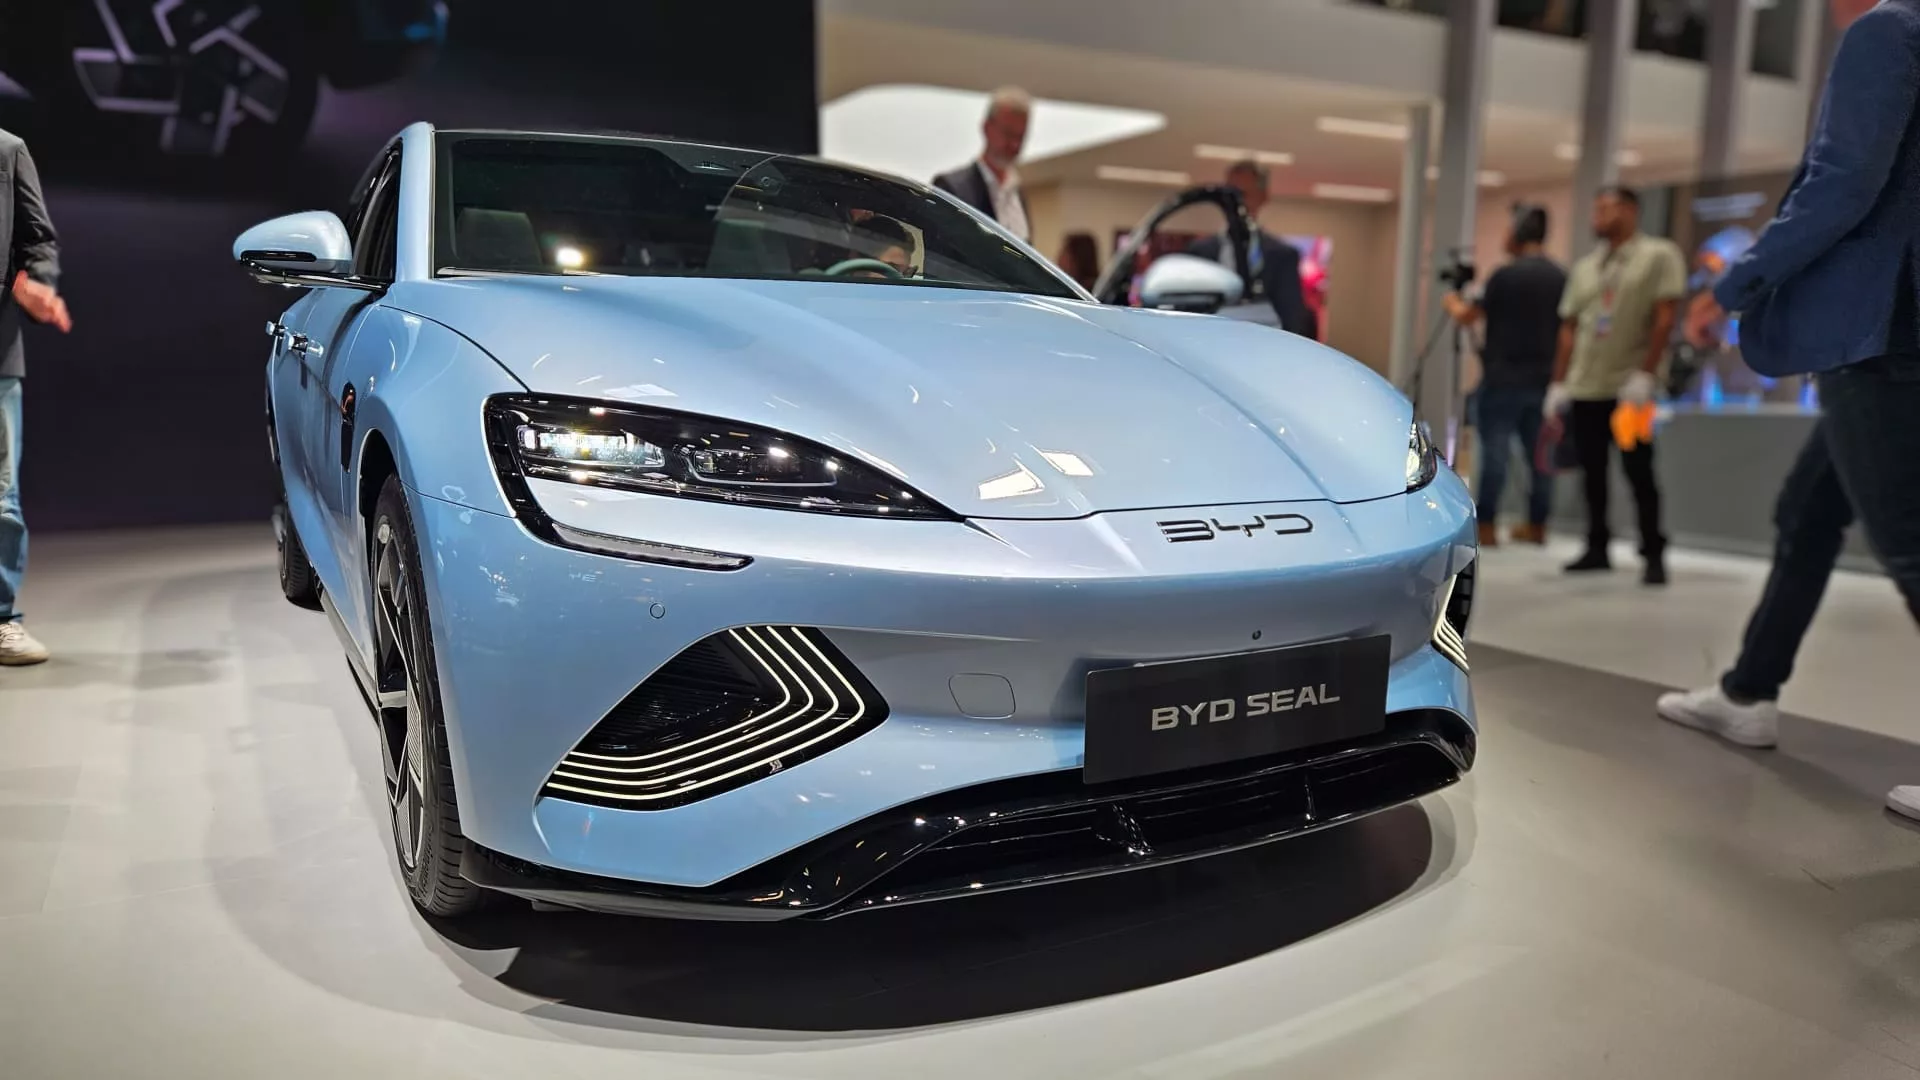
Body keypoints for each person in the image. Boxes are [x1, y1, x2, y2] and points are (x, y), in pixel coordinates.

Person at [1657, 0, 1920, 823]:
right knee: (1806, 513)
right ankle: (1748, 691)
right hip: (1890, 333)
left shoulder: (1889, 29)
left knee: (1910, 545)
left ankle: (1748, 690)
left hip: (1879, 336)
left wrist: (1732, 287)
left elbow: (1842, 182)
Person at [1546, 186, 1686, 585]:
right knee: (1592, 471)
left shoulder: (1658, 256)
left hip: (1629, 391)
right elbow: (1569, 327)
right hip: (1586, 387)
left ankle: (1653, 551)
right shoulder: (1586, 267)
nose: (1598, 217)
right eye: (1596, 209)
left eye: (1605, 209)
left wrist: (1646, 373)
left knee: (1639, 470)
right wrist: (1559, 382)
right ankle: (1597, 546)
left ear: (1629, 211)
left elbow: (1664, 317)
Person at [1444, 205, 1567, 548]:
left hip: (1501, 380)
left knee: (1495, 455)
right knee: (1539, 458)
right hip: (1543, 381)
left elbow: (1468, 316)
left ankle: (1487, 526)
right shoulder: (1560, 277)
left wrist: (1450, 302)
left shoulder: (1504, 276)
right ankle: (1537, 525)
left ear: (1519, 233)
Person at [0, 127, 70, 667]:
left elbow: (37, 239)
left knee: (0, 496)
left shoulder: (8, 151)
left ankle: (2, 618)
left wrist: (37, 283)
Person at [1185, 160, 1315, 337]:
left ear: (1263, 197)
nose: (1234, 202)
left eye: (1242, 194)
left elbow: (1292, 321)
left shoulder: (1283, 256)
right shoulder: (1199, 252)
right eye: (1228, 194)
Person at [933, 87, 1032, 243]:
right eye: (1008, 134)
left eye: (1020, 137)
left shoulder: (1018, 194)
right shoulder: (951, 189)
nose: (1014, 145)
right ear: (986, 128)